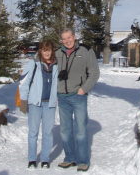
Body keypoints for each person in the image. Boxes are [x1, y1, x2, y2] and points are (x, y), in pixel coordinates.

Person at [55, 28, 100, 172]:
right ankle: (69, 158)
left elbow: (94, 73)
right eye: (64, 39)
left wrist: (84, 89)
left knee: (80, 130)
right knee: (65, 130)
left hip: (78, 95)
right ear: (61, 40)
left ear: (74, 37)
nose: (67, 41)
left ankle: (83, 161)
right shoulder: (57, 53)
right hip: (62, 97)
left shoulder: (86, 51)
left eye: (69, 37)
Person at [19, 39, 58, 169]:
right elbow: (24, 82)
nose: (47, 53)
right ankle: (32, 158)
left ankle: (45, 159)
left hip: (50, 104)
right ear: (40, 50)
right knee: (33, 132)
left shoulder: (56, 65)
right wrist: (24, 100)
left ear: (52, 51)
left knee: (48, 133)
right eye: (44, 50)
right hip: (35, 103)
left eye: (49, 50)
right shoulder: (34, 64)